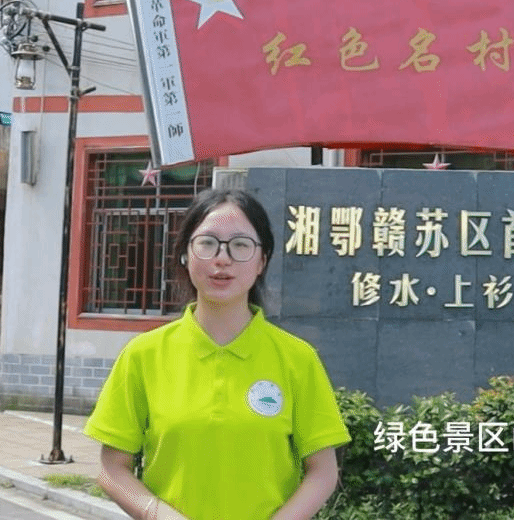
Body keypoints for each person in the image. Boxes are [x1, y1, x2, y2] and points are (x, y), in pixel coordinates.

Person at [84, 188, 351, 520]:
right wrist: (160, 515)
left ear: (262, 261)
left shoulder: (297, 358)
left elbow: (323, 472)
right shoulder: (143, 355)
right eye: (207, 243)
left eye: (240, 245)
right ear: (185, 254)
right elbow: (112, 469)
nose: (222, 259)